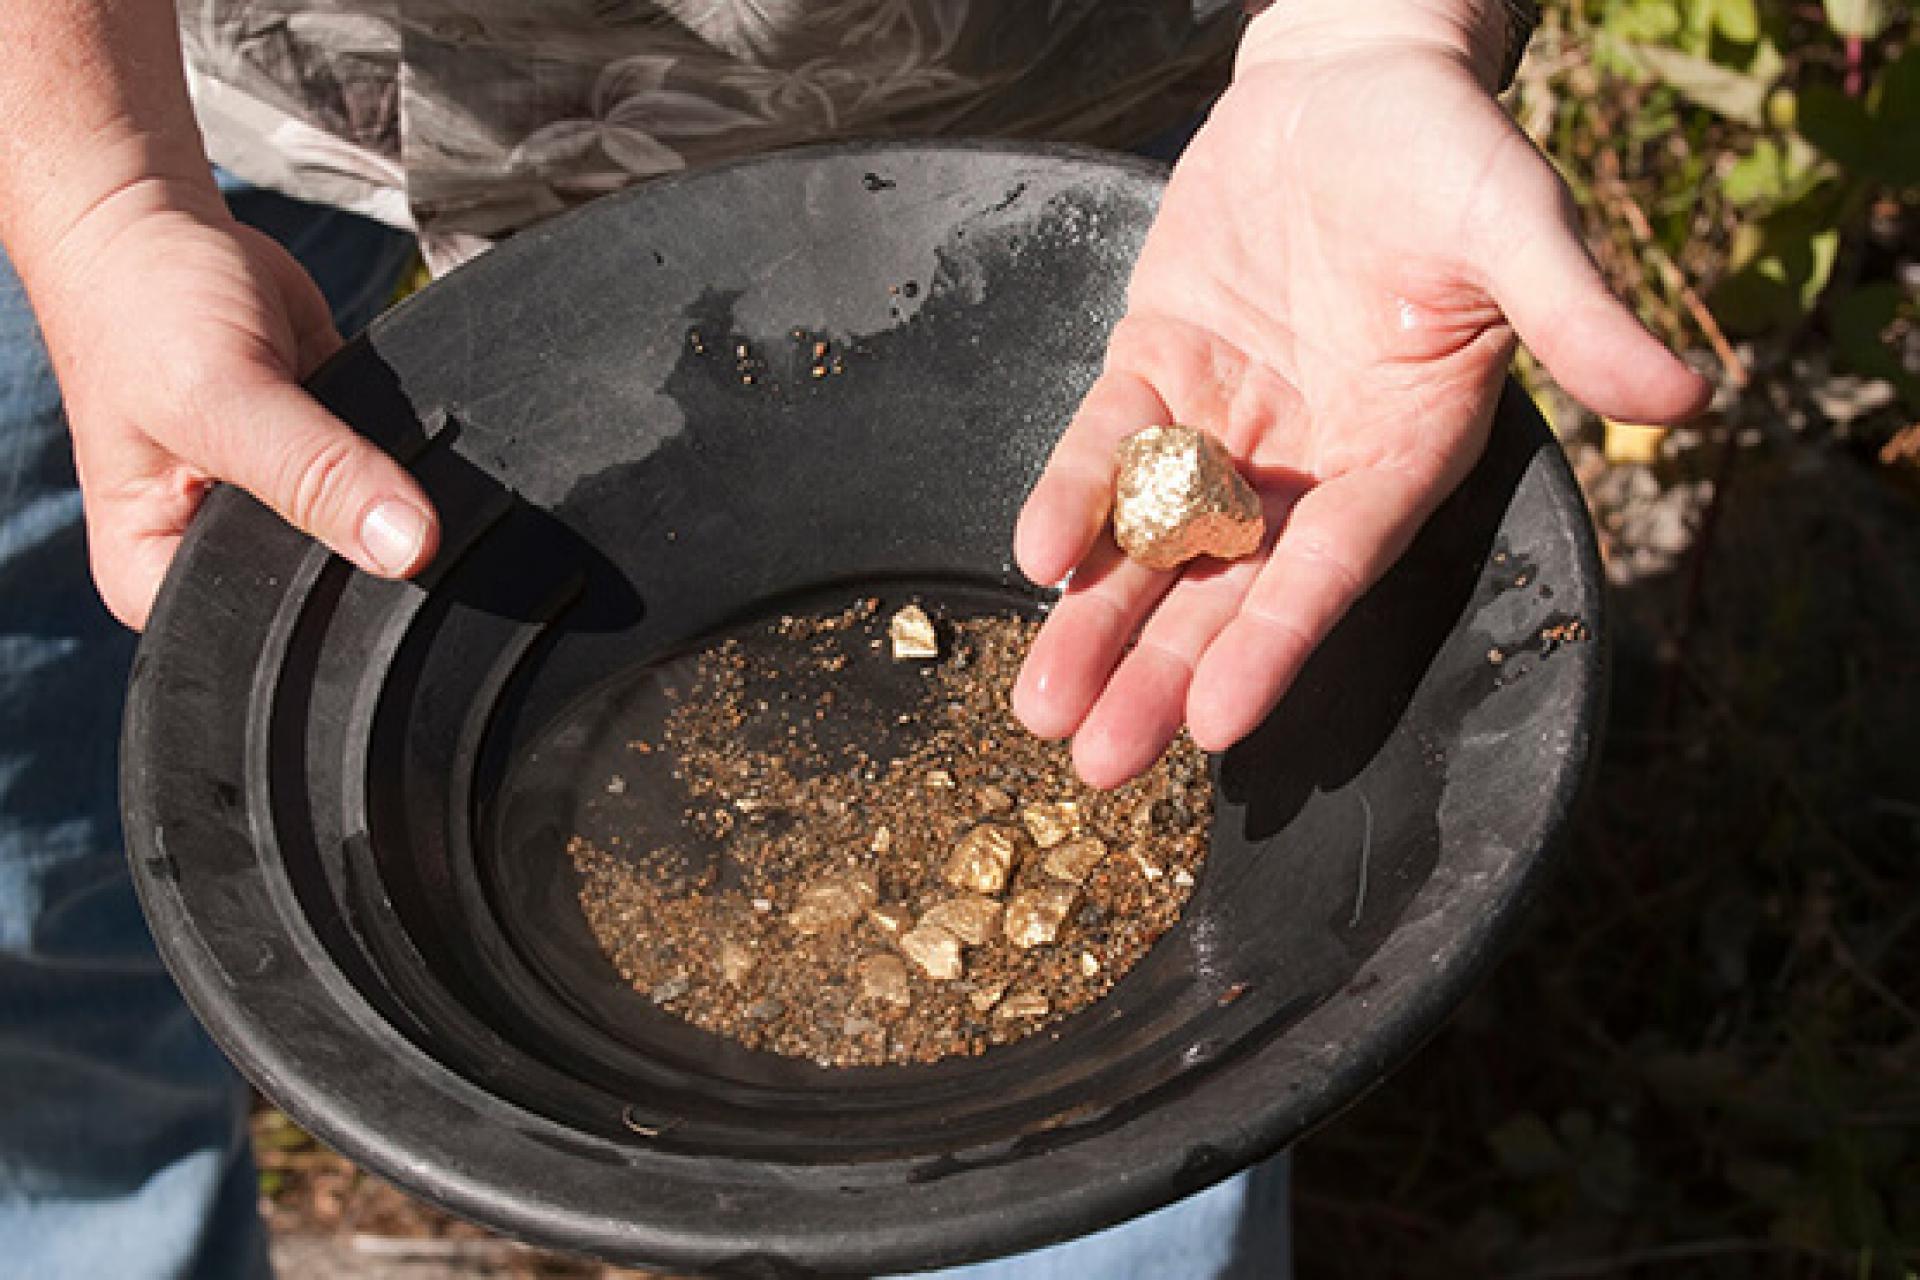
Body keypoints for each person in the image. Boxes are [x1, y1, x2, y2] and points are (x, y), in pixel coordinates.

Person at [0, 1, 1709, 1275]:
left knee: (1082, 1138)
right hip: (199, 77)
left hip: (1036, 101)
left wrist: (1378, 31)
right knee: (56, 894)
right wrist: (91, 187)